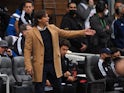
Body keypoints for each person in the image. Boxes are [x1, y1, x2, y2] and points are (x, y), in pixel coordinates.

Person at [24, 10, 95, 93]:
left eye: (47, 16)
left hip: (53, 64)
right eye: (45, 17)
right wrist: (28, 66)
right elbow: (27, 50)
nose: (48, 18)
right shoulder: (31, 33)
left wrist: (82, 32)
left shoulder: (52, 28)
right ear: (39, 19)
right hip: (40, 65)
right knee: (39, 89)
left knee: (58, 88)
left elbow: (66, 33)